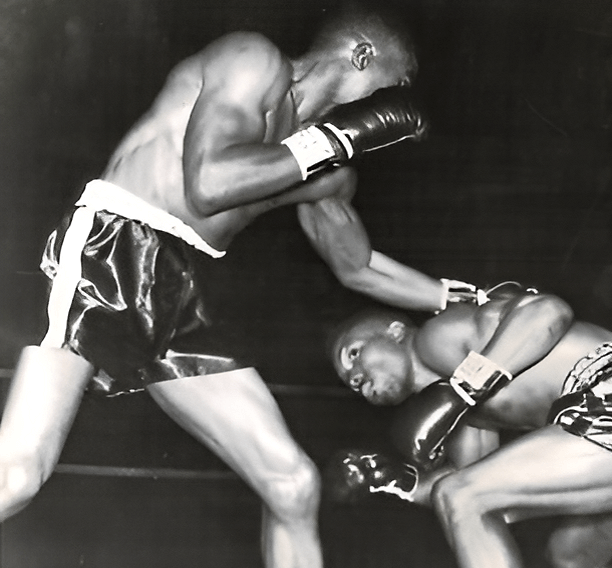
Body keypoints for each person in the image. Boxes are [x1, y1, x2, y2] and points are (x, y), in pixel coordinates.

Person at [0, 6, 492, 568]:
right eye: (395, 84)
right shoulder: (253, 60)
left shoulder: (329, 168)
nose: (394, 103)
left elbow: (358, 267)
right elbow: (208, 184)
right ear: (362, 56)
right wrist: (337, 139)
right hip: (113, 250)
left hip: (186, 290)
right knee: (18, 474)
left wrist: (472, 298)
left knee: (293, 484)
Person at [328, 283, 612, 568]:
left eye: (353, 354)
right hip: (597, 420)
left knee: (462, 495)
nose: (355, 377)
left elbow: (548, 311)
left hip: (607, 383)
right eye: (350, 381)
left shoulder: (437, 336)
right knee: (573, 555)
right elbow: (484, 494)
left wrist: (465, 387)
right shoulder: (459, 410)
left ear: (395, 331)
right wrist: (400, 482)